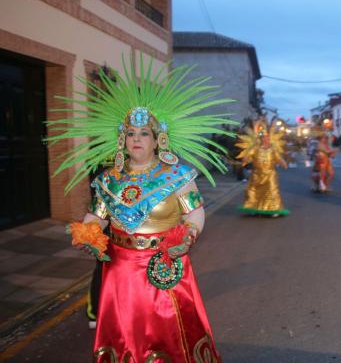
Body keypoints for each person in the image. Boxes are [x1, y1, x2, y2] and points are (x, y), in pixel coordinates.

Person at [46, 56, 226, 362]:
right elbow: (97, 216)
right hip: (120, 267)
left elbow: (194, 212)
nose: (136, 139)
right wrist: (87, 233)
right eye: (130, 134)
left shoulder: (177, 176)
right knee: (125, 328)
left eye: (144, 134)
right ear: (122, 140)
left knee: (168, 327)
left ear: (158, 140)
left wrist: (189, 235)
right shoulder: (109, 180)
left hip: (164, 262)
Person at [237, 118, 290, 217]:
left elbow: (278, 158)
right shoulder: (255, 148)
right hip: (257, 174)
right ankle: (252, 208)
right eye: (264, 138)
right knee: (252, 191)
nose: (266, 140)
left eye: (267, 138)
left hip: (270, 174)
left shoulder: (272, 149)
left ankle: (273, 209)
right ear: (261, 139)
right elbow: (248, 156)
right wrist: (244, 161)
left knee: (272, 190)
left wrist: (284, 163)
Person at [312, 127, 335, 192]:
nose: (325, 139)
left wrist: (332, 153)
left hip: (326, 161)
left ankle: (325, 185)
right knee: (320, 173)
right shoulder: (319, 144)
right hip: (320, 160)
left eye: (326, 138)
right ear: (321, 138)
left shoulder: (327, 145)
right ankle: (319, 186)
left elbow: (331, 155)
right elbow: (322, 150)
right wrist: (331, 152)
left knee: (331, 173)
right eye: (324, 138)